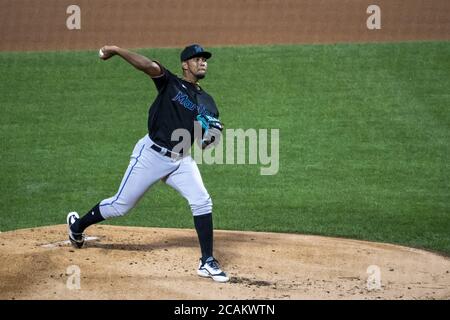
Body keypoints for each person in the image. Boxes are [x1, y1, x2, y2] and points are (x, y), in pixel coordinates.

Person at [66, 44, 229, 283]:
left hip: (180, 159)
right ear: (185, 64)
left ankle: (207, 261)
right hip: (151, 155)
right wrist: (117, 50)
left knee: (202, 200)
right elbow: (148, 66)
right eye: (197, 59)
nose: (202, 62)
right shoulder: (170, 83)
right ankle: (77, 226)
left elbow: (206, 143)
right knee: (121, 206)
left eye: (204, 59)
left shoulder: (208, 102)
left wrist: (211, 138)